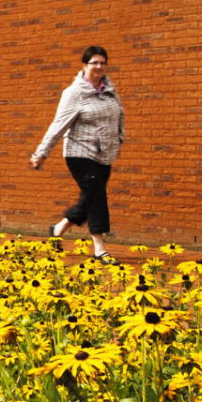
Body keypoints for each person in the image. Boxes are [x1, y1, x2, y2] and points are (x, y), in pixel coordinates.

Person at [28, 45, 124, 258]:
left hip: (104, 154)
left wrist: (119, 139)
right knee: (97, 196)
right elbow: (58, 125)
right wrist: (41, 153)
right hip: (79, 153)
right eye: (94, 63)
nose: (98, 67)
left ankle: (58, 229)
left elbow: (119, 114)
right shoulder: (74, 93)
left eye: (102, 63)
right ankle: (100, 248)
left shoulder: (109, 88)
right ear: (84, 66)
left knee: (89, 197)